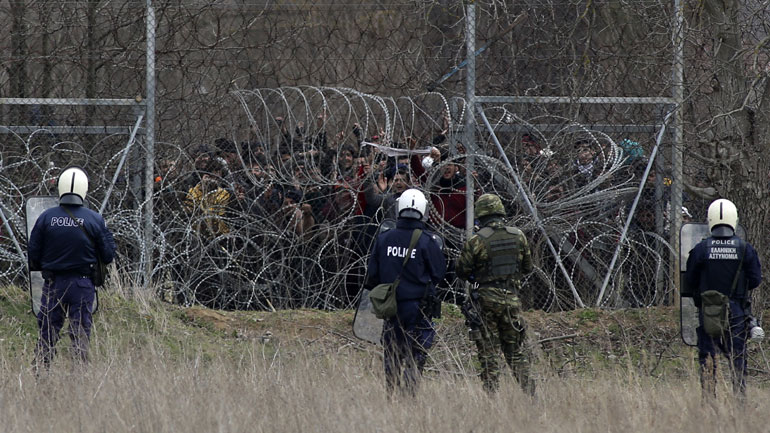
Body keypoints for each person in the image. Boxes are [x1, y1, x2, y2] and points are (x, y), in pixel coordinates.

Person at [28, 166, 116, 368]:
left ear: (60, 187)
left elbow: (33, 254)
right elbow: (108, 255)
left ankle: (41, 372)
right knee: (80, 333)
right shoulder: (94, 219)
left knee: (47, 333)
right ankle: (79, 378)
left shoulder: (46, 218)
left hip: (53, 284)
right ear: (84, 189)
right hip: (82, 284)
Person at [365, 188, 446, 396]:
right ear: (423, 210)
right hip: (418, 307)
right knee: (416, 351)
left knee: (391, 351)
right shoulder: (428, 241)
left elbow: (372, 274)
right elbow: (438, 273)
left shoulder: (384, 238)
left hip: (390, 306)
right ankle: (409, 396)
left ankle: (390, 393)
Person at [456, 193, 535, 395]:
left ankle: (491, 395)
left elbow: (462, 271)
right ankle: (531, 394)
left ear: (481, 216)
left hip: (485, 301)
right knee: (515, 351)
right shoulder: (518, 236)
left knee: (488, 351)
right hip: (511, 299)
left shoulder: (477, 241)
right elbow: (527, 267)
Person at [685, 198, 762, 398]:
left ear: (710, 219)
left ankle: (709, 402)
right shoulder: (745, 249)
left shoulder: (701, 249)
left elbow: (690, 280)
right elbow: (755, 280)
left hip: (709, 312)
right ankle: (740, 401)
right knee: (738, 357)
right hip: (736, 311)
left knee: (708, 358)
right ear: (734, 219)